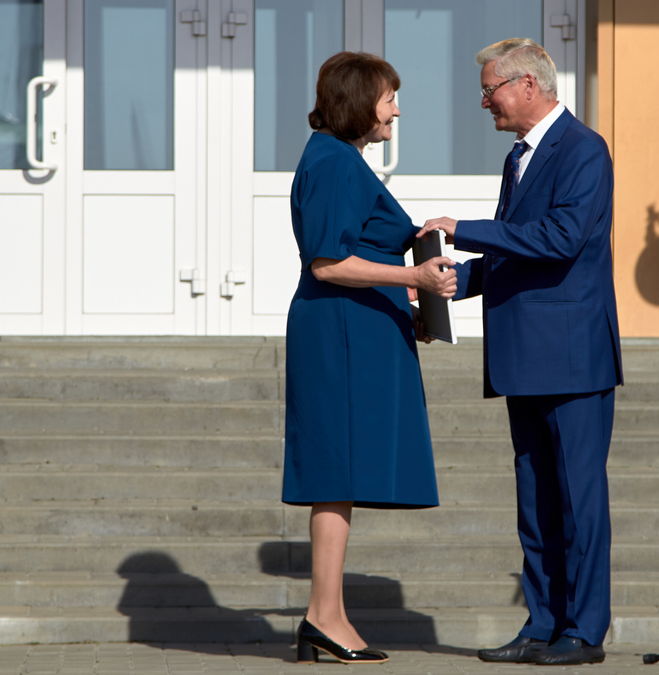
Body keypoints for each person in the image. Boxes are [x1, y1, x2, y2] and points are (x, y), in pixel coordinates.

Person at [417, 38, 623, 666]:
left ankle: (583, 632)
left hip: (572, 355)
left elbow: (560, 238)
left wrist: (463, 229)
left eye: (491, 90)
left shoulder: (583, 149)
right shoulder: (520, 157)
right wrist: (453, 281)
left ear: (528, 85)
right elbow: (515, 251)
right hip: (523, 356)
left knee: (578, 501)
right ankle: (542, 625)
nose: (485, 102)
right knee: (535, 503)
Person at [283, 51, 458, 665]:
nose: (397, 111)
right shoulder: (333, 161)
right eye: (389, 99)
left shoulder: (340, 159)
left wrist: (407, 298)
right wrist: (413, 276)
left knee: (340, 474)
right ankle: (323, 616)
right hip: (340, 332)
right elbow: (328, 262)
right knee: (334, 472)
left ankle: (325, 614)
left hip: (355, 328)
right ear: (360, 102)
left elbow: (357, 252)